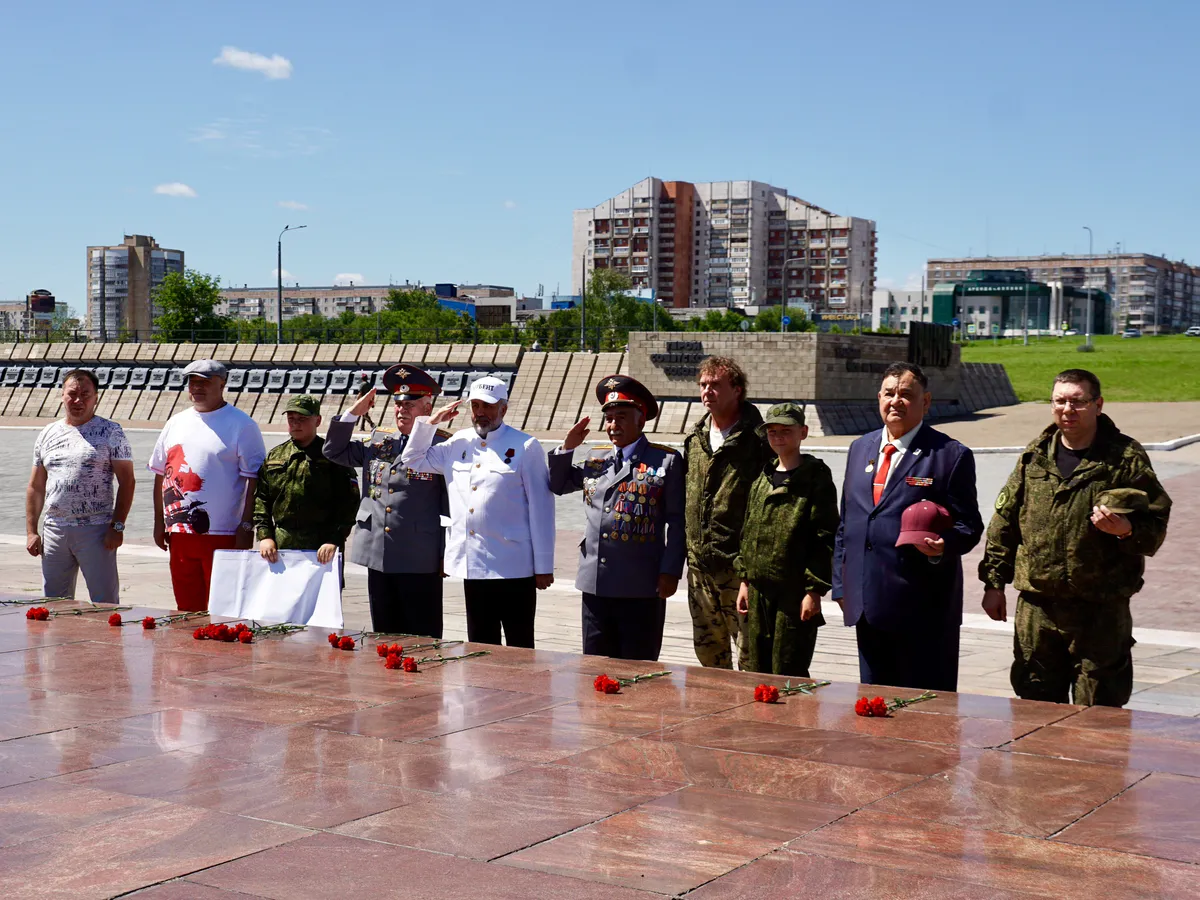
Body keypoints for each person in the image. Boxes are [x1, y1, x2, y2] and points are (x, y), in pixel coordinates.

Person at [978, 368, 1172, 707]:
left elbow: (1156, 521)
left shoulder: (1124, 457)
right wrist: (993, 583)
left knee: (1099, 713)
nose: (1067, 409)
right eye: (1060, 401)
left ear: (1098, 404)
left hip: (1100, 610)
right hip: (1038, 608)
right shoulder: (1035, 455)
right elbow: (1005, 521)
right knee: (1034, 707)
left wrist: (1127, 530)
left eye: (1078, 402)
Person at [833, 362, 983, 692]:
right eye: (889, 393)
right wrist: (841, 586)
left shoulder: (950, 455)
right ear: (879, 398)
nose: (896, 401)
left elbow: (969, 525)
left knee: (926, 706)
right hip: (867, 606)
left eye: (906, 394)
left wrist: (944, 546)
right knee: (875, 701)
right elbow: (848, 523)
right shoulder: (860, 449)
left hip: (922, 609)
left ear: (925, 402)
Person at [402, 376, 555, 648]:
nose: (480, 412)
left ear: (503, 409)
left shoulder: (525, 446)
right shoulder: (458, 442)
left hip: (513, 566)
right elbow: (413, 460)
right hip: (473, 565)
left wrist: (543, 566)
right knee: (480, 645)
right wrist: (430, 423)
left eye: (488, 406)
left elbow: (541, 509)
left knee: (520, 645)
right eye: (475, 406)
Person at [550, 374, 684, 661]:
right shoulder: (596, 458)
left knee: (638, 667)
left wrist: (670, 571)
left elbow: (677, 521)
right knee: (595, 665)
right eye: (609, 418)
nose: (613, 425)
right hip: (595, 583)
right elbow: (559, 484)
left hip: (641, 584)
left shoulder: (666, 460)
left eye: (621, 417)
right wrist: (567, 448)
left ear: (641, 419)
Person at [323, 365, 450, 637]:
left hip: (420, 557)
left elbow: (449, 505)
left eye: (410, 404)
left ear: (428, 408)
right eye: (398, 404)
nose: (402, 410)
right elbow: (333, 451)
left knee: (422, 636)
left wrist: (445, 555)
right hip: (379, 553)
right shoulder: (380, 440)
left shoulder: (442, 445)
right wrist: (353, 413)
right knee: (383, 634)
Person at [149, 359, 266, 612]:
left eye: (205, 382)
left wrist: (247, 525)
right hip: (180, 533)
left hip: (223, 533)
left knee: (223, 608)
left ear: (222, 384)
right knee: (186, 606)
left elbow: (254, 480)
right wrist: (160, 522)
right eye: (192, 382)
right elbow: (160, 475)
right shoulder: (175, 423)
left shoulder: (242, 425)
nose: (197, 387)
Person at [734, 403, 839, 677]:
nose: (778, 437)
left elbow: (824, 536)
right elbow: (748, 530)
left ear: (803, 432)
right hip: (758, 591)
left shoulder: (815, 478)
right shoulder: (763, 477)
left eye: (786, 430)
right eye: (772, 431)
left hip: (794, 594)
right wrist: (744, 580)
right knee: (757, 669)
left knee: (789, 669)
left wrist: (814, 591)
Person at [683, 356, 771, 668]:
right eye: (703, 385)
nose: (707, 391)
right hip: (700, 570)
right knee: (709, 657)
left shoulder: (759, 440)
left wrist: (750, 569)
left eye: (715, 385)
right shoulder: (695, 439)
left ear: (737, 390)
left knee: (752, 659)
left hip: (739, 570)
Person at [25, 369, 134, 604]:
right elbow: (36, 486)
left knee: (104, 602)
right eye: (72, 394)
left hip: (96, 530)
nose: (78, 400)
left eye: (85, 394)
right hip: (55, 530)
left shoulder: (111, 432)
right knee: (54, 603)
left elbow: (127, 482)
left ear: (96, 398)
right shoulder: (48, 433)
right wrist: (32, 531)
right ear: (62, 395)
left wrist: (117, 526)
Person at [254, 395, 359, 572]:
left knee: (322, 591)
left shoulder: (333, 456)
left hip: (322, 547)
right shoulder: (275, 456)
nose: (295, 423)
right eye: (291, 419)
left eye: (302, 418)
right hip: (281, 546)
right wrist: (265, 536)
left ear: (317, 420)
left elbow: (349, 501)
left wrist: (334, 539)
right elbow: (261, 498)